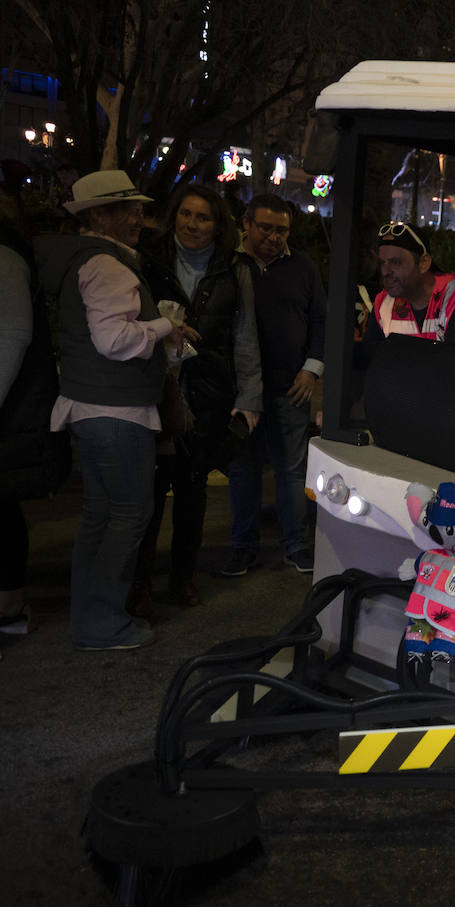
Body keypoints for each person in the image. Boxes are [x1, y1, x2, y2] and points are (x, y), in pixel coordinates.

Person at [36, 170, 200, 650]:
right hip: (115, 413)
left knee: (101, 515)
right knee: (129, 513)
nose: (138, 217)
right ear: (99, 215)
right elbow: (114, 339)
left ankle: (90, 617)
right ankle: (103, 623)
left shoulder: (85, 260)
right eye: (127, 209)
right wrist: (162, 326)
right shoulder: (107, 266)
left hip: (92, 408)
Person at [135, 184, 262, 607]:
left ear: (217, 224)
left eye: (203, 217)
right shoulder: (148, 258)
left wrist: (249, 398)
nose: (193, 224)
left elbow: (245, 337)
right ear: (174, 217)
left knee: (192, 489)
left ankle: (182, 576)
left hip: (207, 388)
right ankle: (140, 582)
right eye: (186, 215)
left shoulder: (234, 268)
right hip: (153, 386)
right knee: (148, 490)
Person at [222, 194, 325, 577]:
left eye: (281, 230)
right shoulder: (230, 264)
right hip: (240, 389)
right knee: (242, 467)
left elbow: (320, 321)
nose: (273, 237)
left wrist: (311, 369)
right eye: (265, 227)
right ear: (246, 223)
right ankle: (243, 547)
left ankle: (295, 545)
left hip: (290, 385)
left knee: (292, 469)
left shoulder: (302, 267)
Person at [0, 176, 68, 649]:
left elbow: (12, 335)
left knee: (2, 508)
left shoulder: (6, 253)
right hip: (16, 406)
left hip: (12, 408)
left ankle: (7, 607)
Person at [364, 220, 455, 340]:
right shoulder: (384, 304)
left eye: (396, 262)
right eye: (382, 262)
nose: (385, 271)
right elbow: (371, 356)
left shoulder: (453, 297)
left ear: (424, 263)